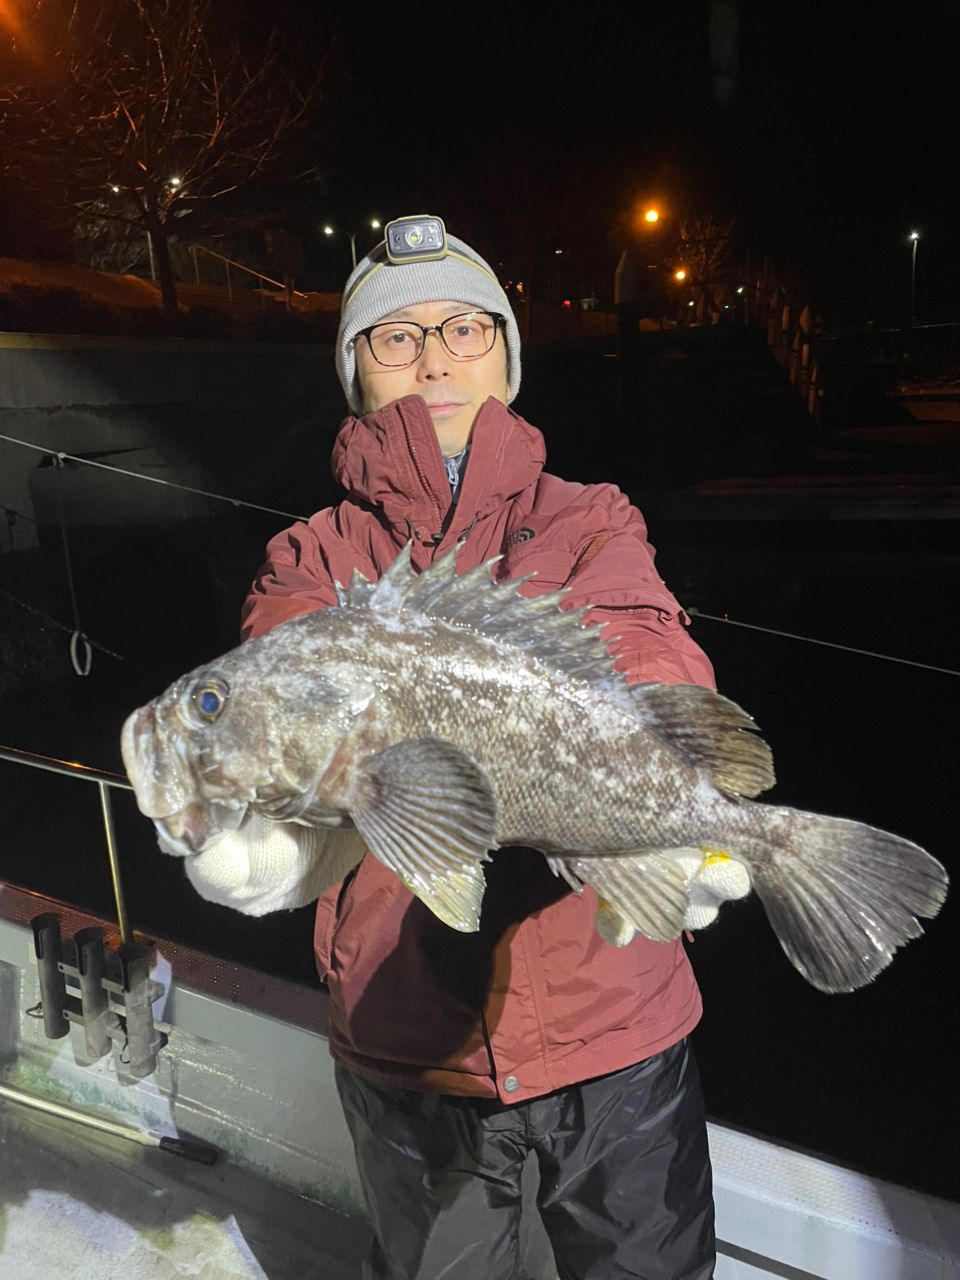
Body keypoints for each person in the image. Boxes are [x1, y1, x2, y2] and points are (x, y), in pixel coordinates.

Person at [185, 216, 742, 1280]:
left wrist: (674, 785)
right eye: (395, 337)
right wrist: (282, 847)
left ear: (507, 354)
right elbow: (279, 717)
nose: (435, 355)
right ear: (353, 372)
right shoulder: (309, 556)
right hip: (406, 1042)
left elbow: (643, 631)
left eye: (463, 327)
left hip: (615, 1014)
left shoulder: (589, 519)